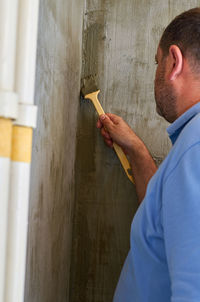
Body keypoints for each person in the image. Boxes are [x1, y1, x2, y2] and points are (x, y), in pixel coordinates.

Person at [97, 7, 200, 302]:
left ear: (174, 62)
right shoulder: (191, 144)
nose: (155, 74)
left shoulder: (195, 149)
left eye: (157, 63)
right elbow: (164, 218)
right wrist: (136, 150)